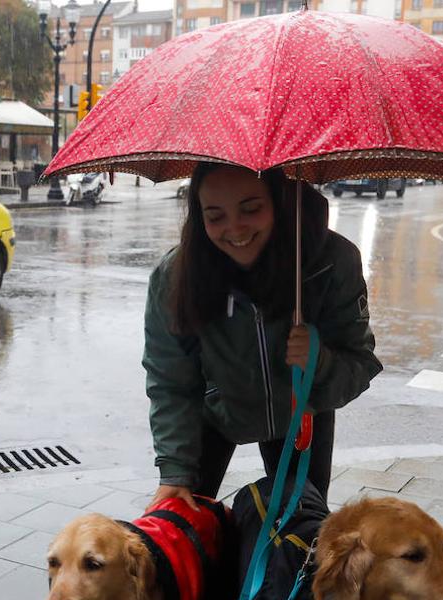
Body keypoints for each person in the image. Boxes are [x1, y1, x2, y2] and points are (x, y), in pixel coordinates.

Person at [143, 163, 381, 510]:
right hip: (212, 412)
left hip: (301, 410)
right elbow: (170, 380)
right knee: (183, 524)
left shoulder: (332, 262)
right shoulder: (176, 276)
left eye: (251, 209)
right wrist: (175, 472)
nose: (234, 228)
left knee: (302, 532)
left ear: (279, 202)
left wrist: (320, 362)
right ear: (198, 217)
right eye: (215, 216)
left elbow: (359, 362)